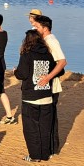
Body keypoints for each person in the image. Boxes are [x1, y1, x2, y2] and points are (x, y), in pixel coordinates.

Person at [14, 29, 56, 162]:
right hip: (46, 96)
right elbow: (59, 71)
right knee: (45, 127)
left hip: (30, 97)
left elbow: (23, 74)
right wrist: (48, 76)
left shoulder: (26, 54)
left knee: (31, 128)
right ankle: (45, 154)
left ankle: (35, 155)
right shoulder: (48, 54)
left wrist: (15, 71)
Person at [32, 13, 66, 154]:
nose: (35, 28)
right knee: (45, 116)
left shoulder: (51, 40)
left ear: (45, 28)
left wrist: (48, 77)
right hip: (47, 85)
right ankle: (48, 146)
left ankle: (52, 148)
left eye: (37, 26)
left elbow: (62, 61)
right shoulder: (45, 39)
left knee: (49, 117)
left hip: (52, 85)